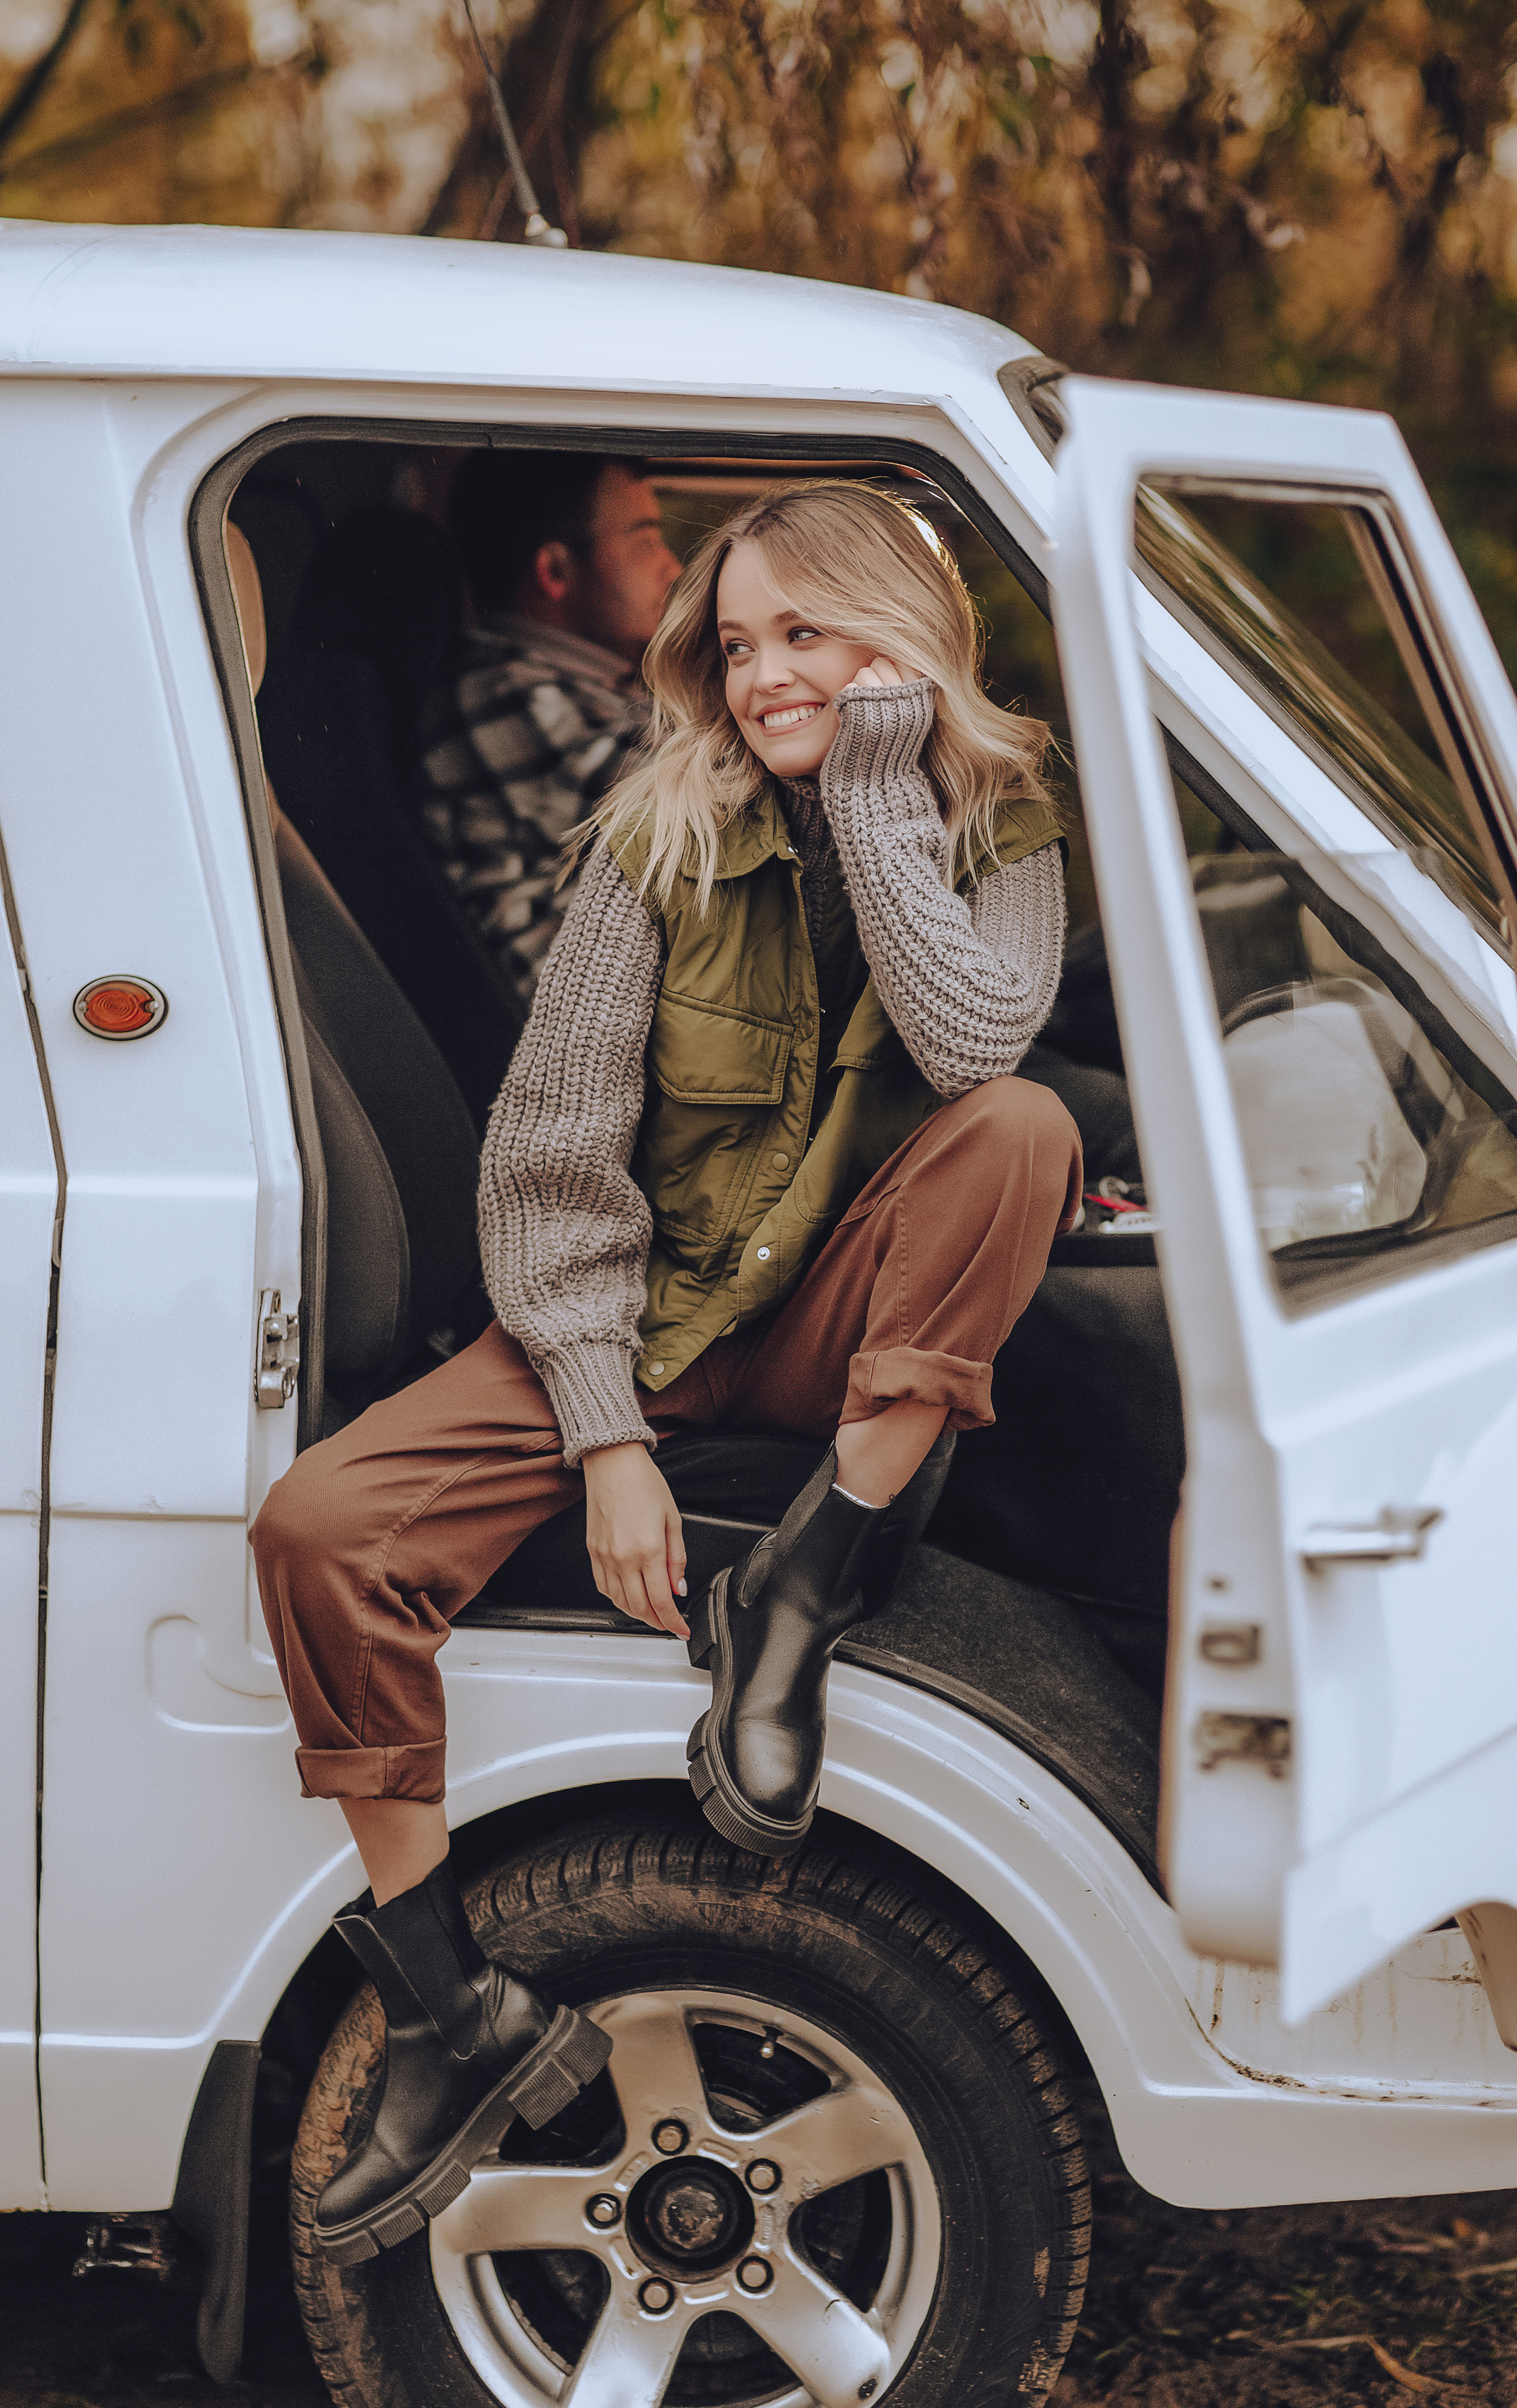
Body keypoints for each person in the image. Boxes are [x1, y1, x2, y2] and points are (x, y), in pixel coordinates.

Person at [251, 481, 1083, 2266]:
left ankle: (806, 1581)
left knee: (1024, 1130)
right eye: (738, 641)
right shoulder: (658, 833)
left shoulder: (1004, 827)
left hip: (829, 1333)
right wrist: (605, 1431)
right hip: (629, 1312)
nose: (765, 672)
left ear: (899, 641)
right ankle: (444, 2006)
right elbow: (549, 1149)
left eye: (807, 632)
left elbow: (969, 1044)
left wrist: (869, 790)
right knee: (323, 1530)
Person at [418, 449, 681, 1000]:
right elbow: (707, 797)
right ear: (556, 571)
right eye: (645, 541)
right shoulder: (504, 693)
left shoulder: (587, 685)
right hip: (586, 1027)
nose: (671, 566)